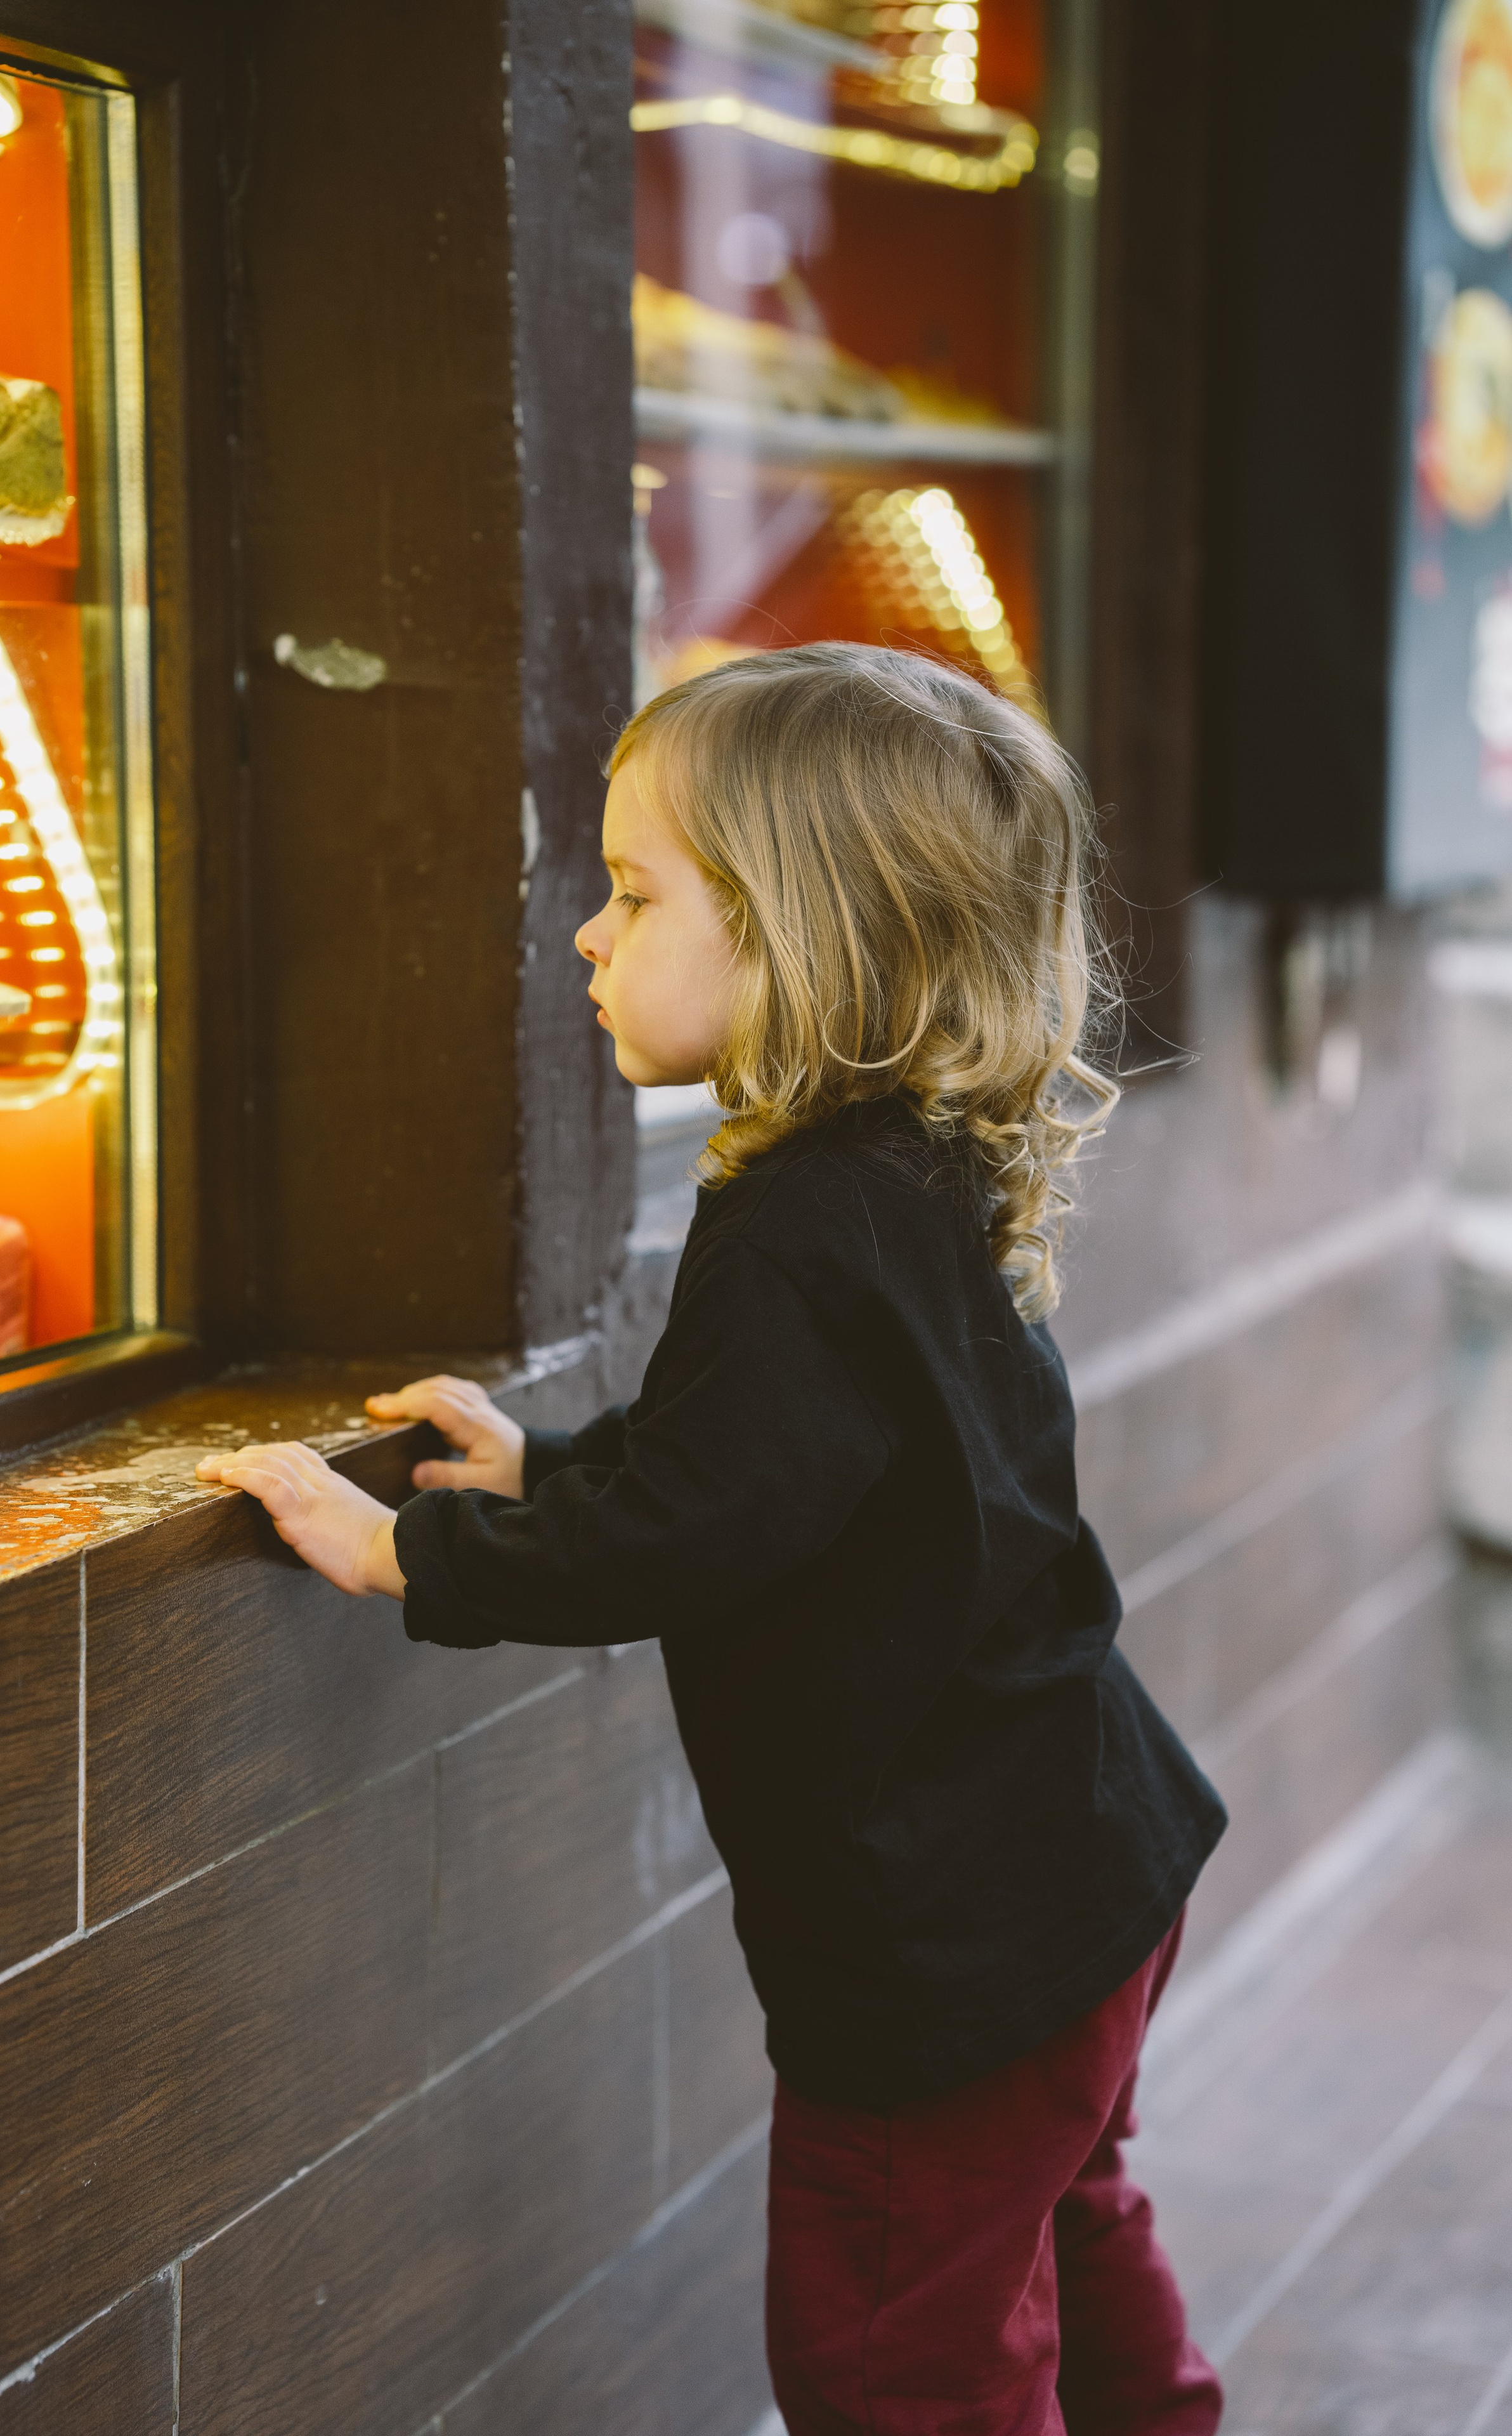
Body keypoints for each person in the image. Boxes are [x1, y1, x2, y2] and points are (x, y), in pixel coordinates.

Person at [198, 643, 1227, 2435]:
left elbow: (696, 1530)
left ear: (798, 934)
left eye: (635, 892)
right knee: (1062, 2222)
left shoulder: (797, 1223)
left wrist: (406, 1558)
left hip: (949, 1934)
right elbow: (791, 1469)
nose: (586, 935)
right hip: (1082, 1856)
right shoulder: (898, 1166)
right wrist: (543, 1468)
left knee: (890, 2352)